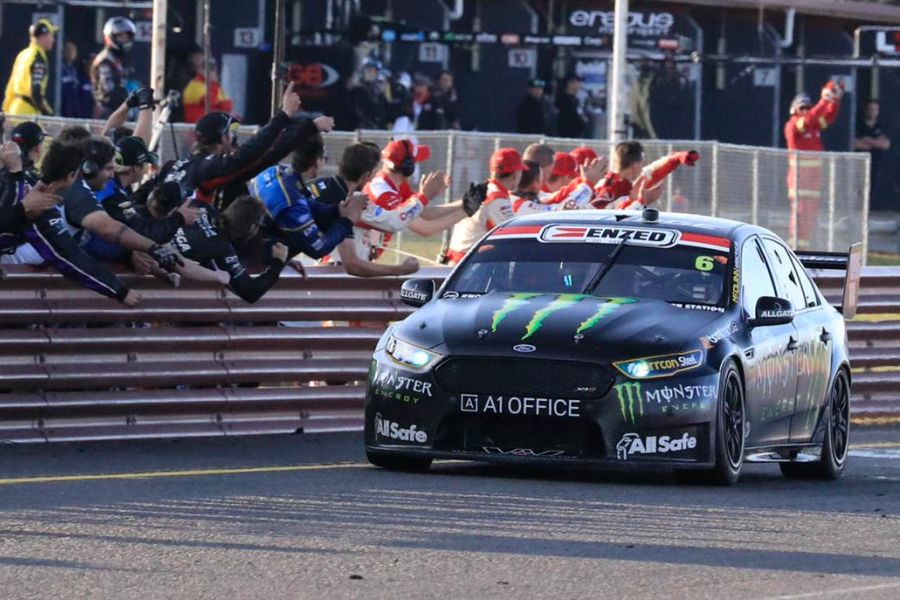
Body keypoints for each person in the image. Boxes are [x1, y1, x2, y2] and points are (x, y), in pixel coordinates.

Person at [0, 140, 140, 305]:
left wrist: (119, 290)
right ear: (71, 176)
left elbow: (67, 254)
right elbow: (67, 255)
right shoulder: (22, 190)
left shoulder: (39, 202)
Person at [165, 86, 325, 208]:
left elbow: (262, 158)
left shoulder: (174, 166)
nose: (235, 138)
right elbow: (253, 154)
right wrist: (285, 115)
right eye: (232, 132)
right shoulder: (210, 168)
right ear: (223, 137)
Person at [61, 136, 183, 272]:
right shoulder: (110, 193)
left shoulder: (115, 187)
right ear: (136, 167)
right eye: (109, 168)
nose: (112, 174)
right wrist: (179, 219)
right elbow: (139, 232)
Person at [250, 133, 365, 261]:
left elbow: (307, 204)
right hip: (254, 260)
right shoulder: (292, 200)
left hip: (248, 242)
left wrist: (337, 210)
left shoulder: (275, 172)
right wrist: (347, 222)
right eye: (324, 158)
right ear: (317, 161)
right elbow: (317, 248)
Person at [358, 139, 465, 268]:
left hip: (361, 257)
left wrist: (464, 203)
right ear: (408, 167)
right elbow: (425, 228)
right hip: (349, 260)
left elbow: (424, 213)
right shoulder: (383, 192)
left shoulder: (394, 184)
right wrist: (467, 212)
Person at [169, 196, 289, 303]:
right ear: (252, 228)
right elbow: (251, 292)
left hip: (155, 248)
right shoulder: (222, 249)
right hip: (167, 277)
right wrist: (278, 263)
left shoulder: (201, 206)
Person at [784, 80, 843, 248]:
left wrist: (834, 100)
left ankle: (804, 249)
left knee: (810, 219)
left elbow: (828, 116)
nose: (806, 111)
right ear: (794, 109)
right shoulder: (793, 126)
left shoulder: (813, 127)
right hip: (799, 181)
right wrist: (823, 100)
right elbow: (809, 120)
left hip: (814, 182)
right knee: (799, 217)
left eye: (808, 108)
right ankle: (795, 249)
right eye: (802, 108)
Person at [446, 148, 526, 264]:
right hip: (469, 267)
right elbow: (512, 238)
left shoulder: (481, 190)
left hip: (460, 262)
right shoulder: (497, 199)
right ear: (515, 174)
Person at [593, 141, 698, 210]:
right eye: (642, 163)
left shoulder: (623, 183)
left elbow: (653, 171)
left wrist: (675, 159)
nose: (643, 167)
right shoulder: (614, 188)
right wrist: (641, 202)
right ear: (635, 165)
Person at [3, 19, 57, 116]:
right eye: (51, 35)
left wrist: (6, 110)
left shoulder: (23, 54)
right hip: (28, 112)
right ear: (43, 36)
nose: (53, 40)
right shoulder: (38, 57)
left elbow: (11, 85)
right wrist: (48, 114)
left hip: (15, 108)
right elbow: (35, 91)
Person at [91, 17, 137, 119]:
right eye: (121, 37)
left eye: (127, 37)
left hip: (121, 110)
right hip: (107, 112)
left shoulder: (121, 59)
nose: (125, 40)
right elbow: (109, 93)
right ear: (111, 37)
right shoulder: (105, 61)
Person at [854, 99, 892, 210]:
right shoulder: (858, 125)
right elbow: (856, 143)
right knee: (858, 187)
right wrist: (876, 142)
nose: (872, 112)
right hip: (859, 162)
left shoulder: (881, 126)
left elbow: (885, 144)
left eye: (875, 109)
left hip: (875, 162)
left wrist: (868, 141)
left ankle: (868, 209)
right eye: (870, 109)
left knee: (872, 186)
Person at [182, 54, 234, 124]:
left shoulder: (217, 87)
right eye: (209, 68)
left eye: (213, 68)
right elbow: (209, 103)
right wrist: (212, 84)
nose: (212, 72)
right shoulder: (195, 85)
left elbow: (228, 106)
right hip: (197, 127)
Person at [349, 58, 388, 130]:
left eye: (374, 71)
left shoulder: (378, 90)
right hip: (361, 128)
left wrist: (381, 94)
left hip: (377, 128)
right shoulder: (357, 90)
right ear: (362, 72)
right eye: (368, 70)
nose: (371, 73)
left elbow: (385, 112)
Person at [60, 42, 94, 118]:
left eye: (74, 49)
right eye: (69, 49)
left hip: (76, 110)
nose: (72, 52)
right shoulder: (59, 68)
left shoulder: (73, 70)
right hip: (62, 108)